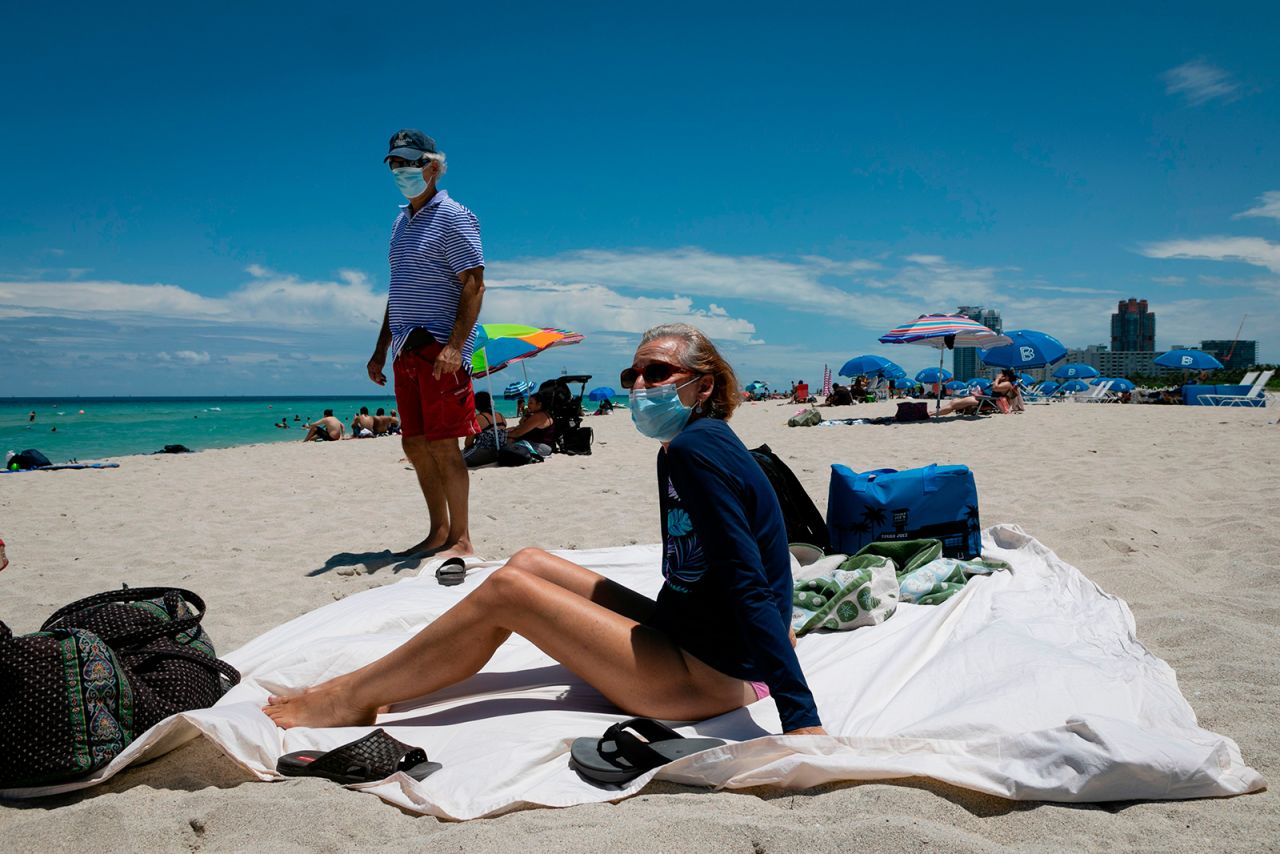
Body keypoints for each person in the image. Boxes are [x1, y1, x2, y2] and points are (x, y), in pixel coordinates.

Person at [264, 323, 826, 737]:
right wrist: (781, 623)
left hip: (709, 676)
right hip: (693, 636)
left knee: (508, 592)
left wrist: (800, 716)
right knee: (529, 562)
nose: (639, 385)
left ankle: (349, 697)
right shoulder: (686, 446)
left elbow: (745, 576)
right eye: (634, 374)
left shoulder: (695, 454)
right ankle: (368, 685)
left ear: (703, 387)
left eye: (659, 373)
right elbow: (745, 559)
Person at [366, 129, 486, 559]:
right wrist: (381, 349)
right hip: (405, 349)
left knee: (443, 444)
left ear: (433, 166)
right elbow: (397, 291)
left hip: (439, 349)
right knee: (413, 443)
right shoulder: (400, 222)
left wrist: (456, 346)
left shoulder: (454, 216)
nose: (401, 171)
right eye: (395, 164)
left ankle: (462, 539)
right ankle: (437, 533)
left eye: (410, 163)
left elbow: (473, 283)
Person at [505, 390, 557, 457]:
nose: (528, 405)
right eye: (528, 402)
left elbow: (518, 433)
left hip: (541, 447)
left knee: (508, 443)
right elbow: (522, 426)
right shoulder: (545, 414)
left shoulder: (538, 416)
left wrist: (503, 434)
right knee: (509, 440)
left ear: (539, 404)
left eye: (531, 403)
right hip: (545, 446)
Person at [462, 392, 507, 467]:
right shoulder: (500, 416)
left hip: (485, 452)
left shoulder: (478, 418)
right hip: (500, 452)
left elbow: (468, 442)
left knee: (457, 460)